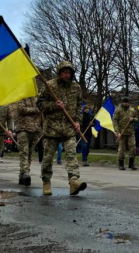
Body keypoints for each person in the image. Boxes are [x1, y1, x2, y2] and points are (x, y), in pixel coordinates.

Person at [37, 60, 87, 196]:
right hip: (52, 128)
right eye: (65, 72)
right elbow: (40, 104)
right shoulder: (50, 85)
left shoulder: (76, 87)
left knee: (71, 155)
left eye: (69, 72)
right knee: (48, 158)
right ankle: (46, 181)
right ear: (59, 73)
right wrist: (54, 106)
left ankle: (74, 181)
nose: (67, 75)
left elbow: (79, 106)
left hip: (69, 129)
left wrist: (77, 121)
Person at [16, 96, 42, 186]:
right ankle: (26, 173)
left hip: (35, 130)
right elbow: (21, 109)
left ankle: (22, 175)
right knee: (24, 152)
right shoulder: (22, 98)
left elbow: (41, 112)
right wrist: (35, 109)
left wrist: (40, 130)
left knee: (30, 153)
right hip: (23, 129)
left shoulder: (37, 99)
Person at [113, 97, 139, 171]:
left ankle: (131, 163)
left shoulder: (132, 110)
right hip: (121, 132)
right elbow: (115, 121)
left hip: (131, 132)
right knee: (121, 148)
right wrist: (117, 132)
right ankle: (121, 164)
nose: (126, 104)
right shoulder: (118, 110)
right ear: (122, 103)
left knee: (133, 146)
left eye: (127, 102)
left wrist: (133, 119)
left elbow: (137, 118)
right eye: (125, 102)